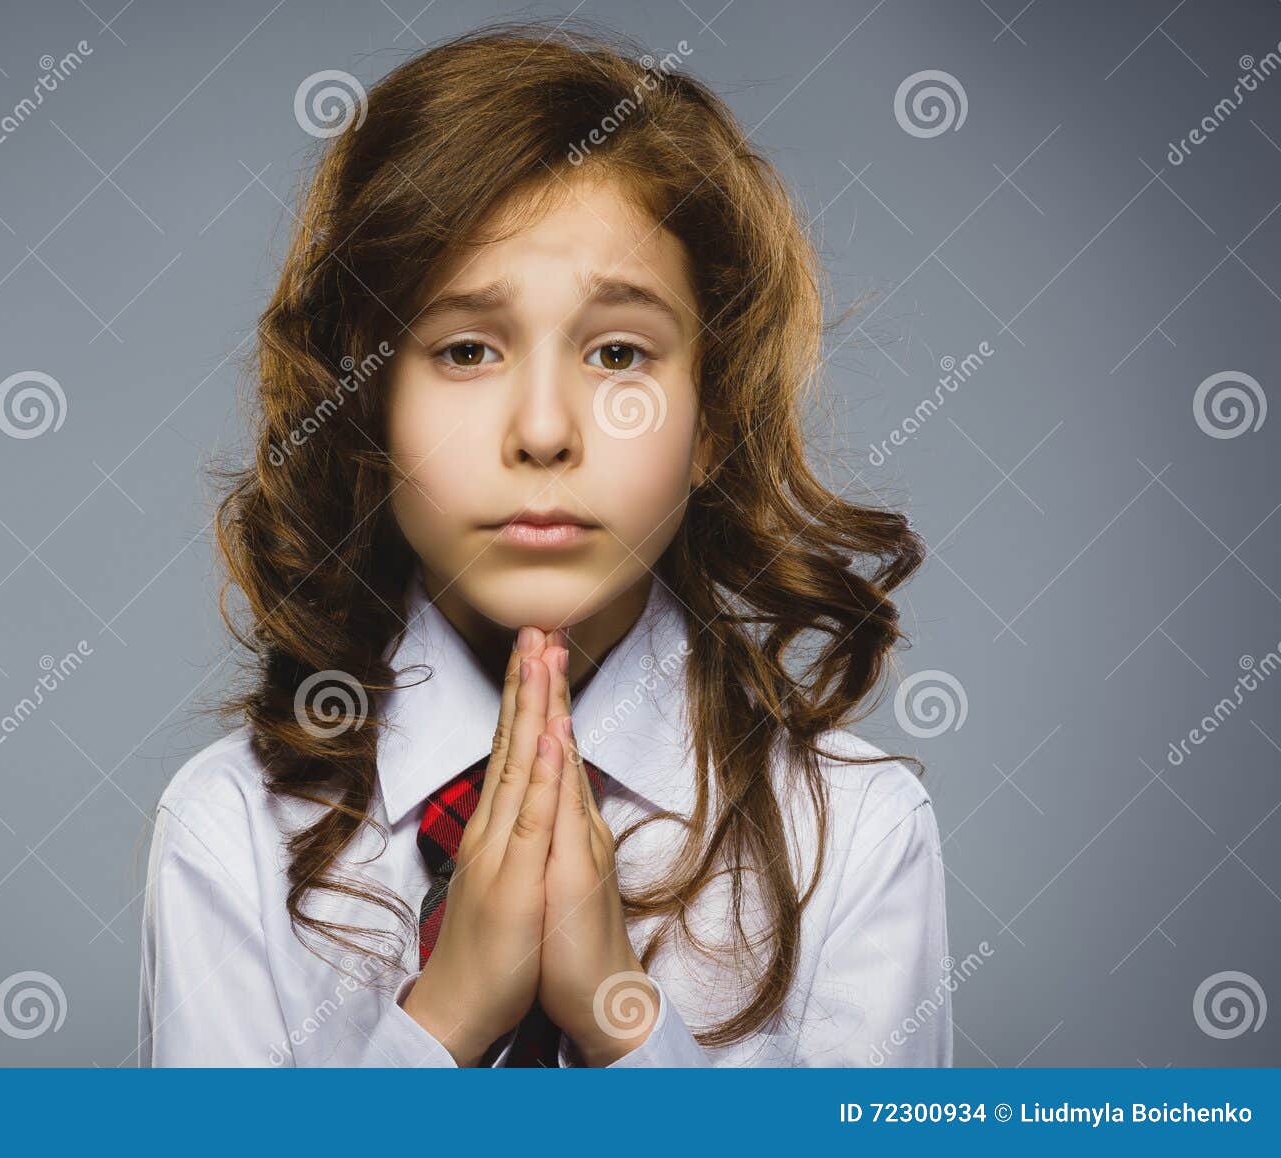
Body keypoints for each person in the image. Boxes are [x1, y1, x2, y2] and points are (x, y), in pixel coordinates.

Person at [137, 21, 950, 1067]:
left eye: (618, 352)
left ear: (711, 419)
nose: (544, 430)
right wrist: (445, 1023)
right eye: (466, 349)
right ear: (369, 405)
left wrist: (621, 1017)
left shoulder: (856, 834)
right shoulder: (233, 831)